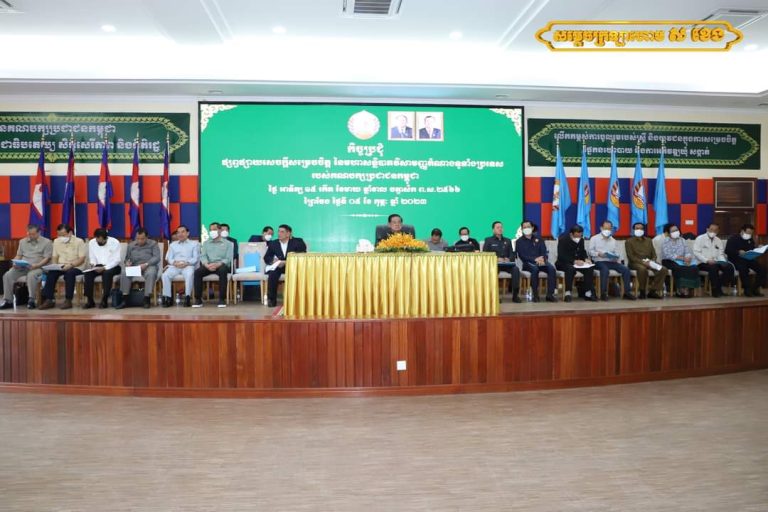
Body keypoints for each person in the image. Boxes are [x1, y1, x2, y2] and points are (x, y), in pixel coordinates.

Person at [0, 224, 52, 310]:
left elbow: (47, 258)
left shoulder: (47, 242)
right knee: (7, 275)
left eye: (33, 234)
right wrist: (15, 262)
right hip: (23, 266)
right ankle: (8, 301)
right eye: (29, 234)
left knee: (31, 275)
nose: (30, 236)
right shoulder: (22, 242)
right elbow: (19, 255)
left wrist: (37, 265)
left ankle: (31, 300)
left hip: (39, 267)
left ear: (39, 233)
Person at [38, 224, 87, 310]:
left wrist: (70, 265)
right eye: (59, 235)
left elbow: (81, 259)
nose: (61, 237)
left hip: (76, 266)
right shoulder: (56, 241)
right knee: (51, 273)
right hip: (61, 265)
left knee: (69, 274)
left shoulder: (79, 241)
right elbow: (55, 257)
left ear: (70, 233)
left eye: (63, 235)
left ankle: (68, 300)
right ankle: (49, 300)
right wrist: (54, 266)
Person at [589, 220, 636, 301]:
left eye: (609, 229)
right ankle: (603, 293)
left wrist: (615, 257)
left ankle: (627, 292)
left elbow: (617, 253)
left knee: (626, 270)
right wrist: (598, 254)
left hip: (611, 261)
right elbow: (590, 252)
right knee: (605, 270)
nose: (607, 230)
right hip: (598, 261)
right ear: (601, 228)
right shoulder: (594, 238)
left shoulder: (613, 240)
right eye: (605, 228)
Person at [116, 227, 161, 309]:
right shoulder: (131, 245)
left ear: (147, 237)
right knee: (124, 272)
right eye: (137, 238)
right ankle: (125, 299)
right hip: (135, 267)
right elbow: (127, 258)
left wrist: (146, 264)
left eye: (142, 239)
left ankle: (147, 299)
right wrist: (127, 263)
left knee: (151, 273)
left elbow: (157, 257)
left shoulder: (153, 244)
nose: (139, 241)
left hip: (149, 266)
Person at [264, 224, 307, 308]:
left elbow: (302, 256)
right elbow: (266, 257)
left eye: (282, 232)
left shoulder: (298, 242)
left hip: (293, 267)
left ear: (288, 233)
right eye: (278, 231)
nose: (279, 233)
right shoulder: (274, 243)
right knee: (272, 274)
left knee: (298, 275)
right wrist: (273, 261)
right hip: (279, 266)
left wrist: (286, 262)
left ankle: (295, 300)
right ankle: (271, 300)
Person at [193, 222, 234, 308]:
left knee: (223, 271)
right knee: (197, 272)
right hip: (209, 265)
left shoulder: (228, 244)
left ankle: (222, 299)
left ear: (220, 230)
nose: (212, 232)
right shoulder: (206, 243)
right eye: (210, 230)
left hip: (221, 264)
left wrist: (218, 264)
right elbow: (203, 256)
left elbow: (229, 258)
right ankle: (198, 299)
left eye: (214, 229)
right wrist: (206, 264)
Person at [625, 222, 668, 299]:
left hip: (649, 262)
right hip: (635, 263)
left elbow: (654, 254)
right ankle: (642, 291)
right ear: (633, 230)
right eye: (637, 228)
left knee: (663, 269)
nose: (639, 230)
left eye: (641, 228)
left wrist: (652, 261)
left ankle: (652, 291)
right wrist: (643, 262)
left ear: (644, 230)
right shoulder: (629, 241)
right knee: (642, 269)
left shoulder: (649, 240)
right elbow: (631, 257)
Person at [516, 220, 556, 302]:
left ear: (532, 228)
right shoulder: (519, 241)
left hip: (541, 261)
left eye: (528, 227)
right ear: (522, 229)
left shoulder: (539, 239)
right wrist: (534, 259)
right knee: (535, 269)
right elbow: (522, 255)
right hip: (528, 263)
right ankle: (535, 295)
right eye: (524, 227)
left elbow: (544, 252)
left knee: (551, 269)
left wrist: (542, 258)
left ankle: (550, 295)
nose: (526, 228)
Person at [82, 228, 122, 309]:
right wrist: (93, 264)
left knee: (107, 273)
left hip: (112, 266)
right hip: (98, 266)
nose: (99, 243)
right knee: (88, 274)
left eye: (101, 241)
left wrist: (105, 268)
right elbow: (92, 257)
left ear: (106, 238)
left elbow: (117, 260)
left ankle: (105, 299)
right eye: (97, 241)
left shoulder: (115, 242)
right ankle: (90, 300)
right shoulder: (92, 242)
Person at [555, 225, 597, 303]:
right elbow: (561, 256)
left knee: (589, 268)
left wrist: (586, 259)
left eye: (580, 235)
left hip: (578, 263)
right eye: (577, 236)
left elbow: (582, 251)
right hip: (563, 263)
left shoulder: (581, 240)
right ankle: (568, 293)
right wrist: (574, 261)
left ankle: (587, 293)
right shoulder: (563, 240)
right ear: (571, 234)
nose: (579, 238)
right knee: (570, 269)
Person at [161, 225, 199, 307]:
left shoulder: (194, 244)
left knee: (189, 274)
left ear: (188, 233)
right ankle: (168, 298)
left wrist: (186, 263)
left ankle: (187, 297)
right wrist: (174, 263)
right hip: (175, 266)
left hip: (188, 265)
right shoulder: (173, 245)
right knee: (165, 275)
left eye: (183, 232)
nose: (180, 234)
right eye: (178, 232)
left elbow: (195, 258)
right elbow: (169, 258)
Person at [483, 221, 521, 303]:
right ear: (493, 230)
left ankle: (515, 295)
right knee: (492, 271)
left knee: (516, 270)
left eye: (501, 227)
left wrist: (509, 259)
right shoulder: (488, 240)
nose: (500, 229)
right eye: (498, 227)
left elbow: (512, 254)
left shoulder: (508, 240)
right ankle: (495, 296)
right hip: (495, 265)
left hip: (507, 264)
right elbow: (485, 254)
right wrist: (496, 259)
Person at [693, 222, 734, 298]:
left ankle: (718, 287)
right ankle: (715, 290)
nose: (713, 232)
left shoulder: (718, 240)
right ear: (707, 229)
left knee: (729, 267)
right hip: (702, 262)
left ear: (718, 231)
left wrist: (723, 262)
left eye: (715, 230)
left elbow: (720, 254)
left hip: (716, 262)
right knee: (714, 267)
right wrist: (707, 260)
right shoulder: (700, 238)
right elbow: (696, 253)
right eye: (711, 229)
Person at [660, 223, 700, 298]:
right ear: (668, 233)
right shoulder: (665, 241)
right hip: (669, 261)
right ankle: (680, 289)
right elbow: (668, 255)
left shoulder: (682, 240)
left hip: (682, 260)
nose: (676, 232)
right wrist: (682, 258)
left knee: (694, 267)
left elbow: (687, 251)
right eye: (673, 231)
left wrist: (688, 258)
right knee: (679, 268)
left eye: (676, 230)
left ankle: (689, 287)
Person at [725, 223, 766, 297]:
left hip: (748, 259)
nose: (749, 235)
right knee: (743, 268)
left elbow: (752, 249)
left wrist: (758, 248)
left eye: (751, 233)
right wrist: (738, 252)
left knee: (762, 269)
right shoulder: (733, 239)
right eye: (748, 233)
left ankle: (754, 288)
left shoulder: (750, 239)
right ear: (742, 231)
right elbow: (727, 250)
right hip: (736, 260)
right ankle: (747, 290)